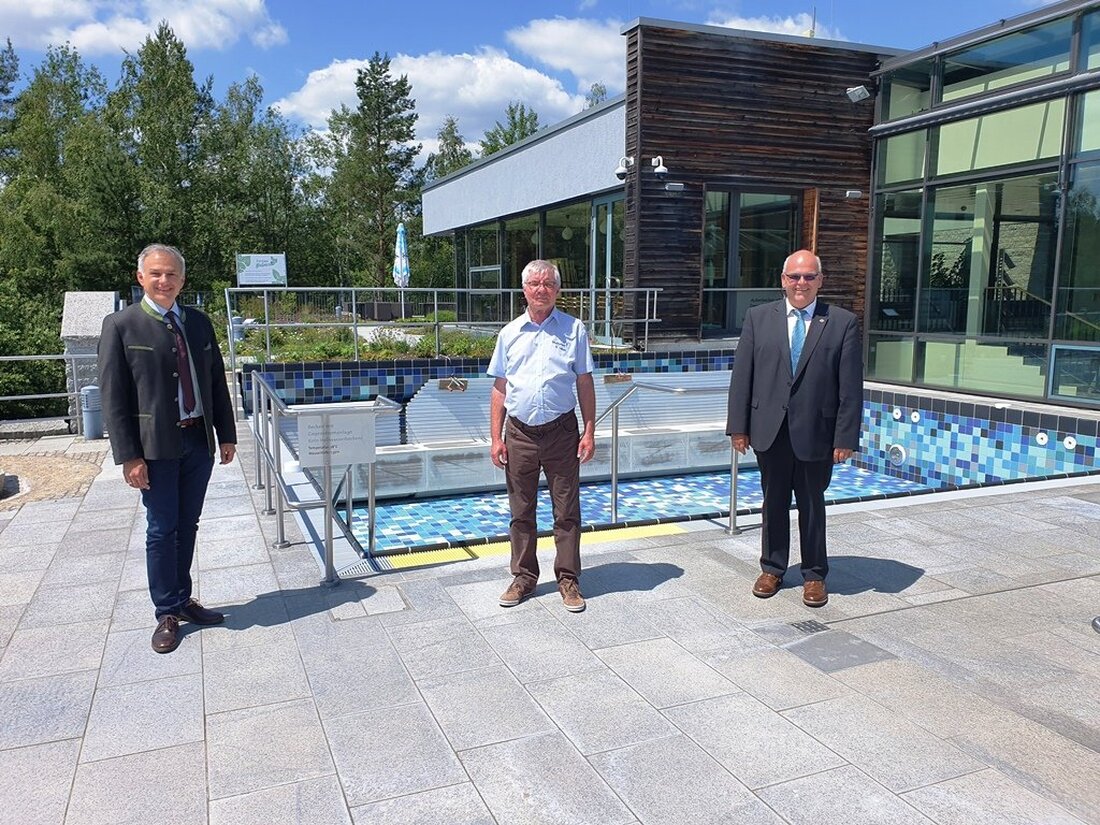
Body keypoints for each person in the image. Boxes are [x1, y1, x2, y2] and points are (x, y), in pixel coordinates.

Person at [99, 244, 237, 653]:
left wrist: (226, 434)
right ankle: (166, 611)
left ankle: (182, 597)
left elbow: (215, 381)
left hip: (197, 441)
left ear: (182, 279)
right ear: (141, 277)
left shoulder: (197, 322)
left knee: (187, 525)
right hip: (154, 448)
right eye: (156, 274)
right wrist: (129, 456)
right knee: (162, 530)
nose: (164, 281)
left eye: (172, 274)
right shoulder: (121, 325)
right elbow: (113, 397)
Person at [726, 249, 862, 607]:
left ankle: (815, 575)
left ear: (820, 280)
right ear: (783, 280)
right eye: (794, 277)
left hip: (817, 432)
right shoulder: (758, 318)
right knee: (773, 502)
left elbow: (850, 386)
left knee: (812, 504)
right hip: (770, 429)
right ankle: (772, 568)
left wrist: (846, 437)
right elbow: (743, 376)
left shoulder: (842, 322)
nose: (801, 283)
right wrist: (738, 427)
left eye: (809, 276)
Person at [489, 260, 596, 612]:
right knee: (521, 510)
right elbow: (500, 388)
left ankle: (568, 579)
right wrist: (496, 437)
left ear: (558, 290)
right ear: (524, 290)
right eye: (534, 283)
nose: (541, 289)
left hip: (562, 431)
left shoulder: (574, 329)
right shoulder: (509, 333)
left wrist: (589, 430)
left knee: (566, 511)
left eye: (548, 284)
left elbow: (584, 380)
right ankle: (523, 577)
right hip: (518, 432)